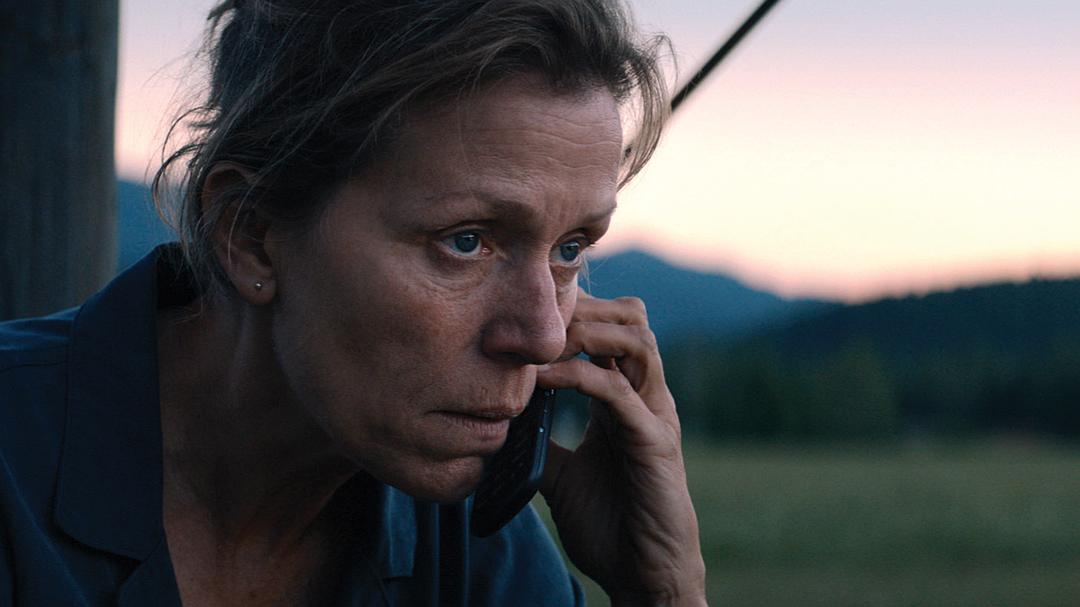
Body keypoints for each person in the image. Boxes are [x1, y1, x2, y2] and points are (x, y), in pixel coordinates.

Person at [0, 0, 707, 604]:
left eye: (570, 248)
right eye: (466, 241)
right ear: (249, 233)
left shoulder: (470, 544)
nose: (546, 335)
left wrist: (664, 591)